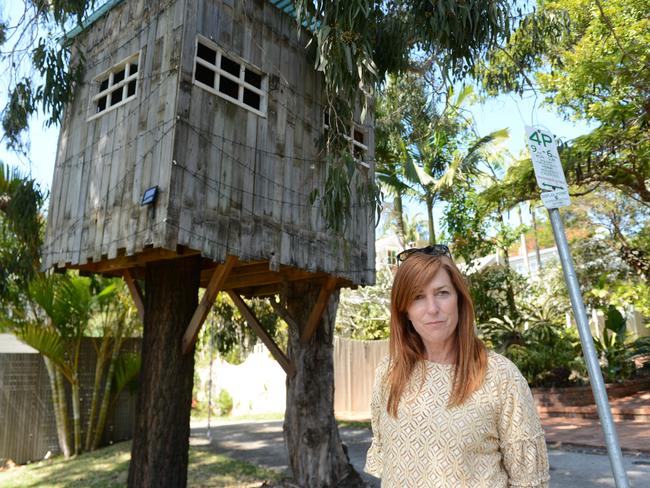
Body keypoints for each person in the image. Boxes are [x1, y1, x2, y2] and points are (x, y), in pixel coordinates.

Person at [365, 245, 550, 487]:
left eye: (442, 293)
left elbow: (530, 482)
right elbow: (388, 464)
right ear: (405, 310)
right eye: (418, 297)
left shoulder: (500, 376)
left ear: (459, 299)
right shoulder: (389, 372)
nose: (432, 309)